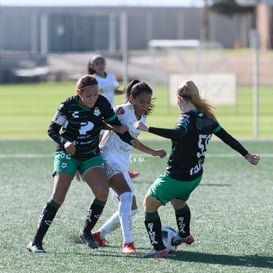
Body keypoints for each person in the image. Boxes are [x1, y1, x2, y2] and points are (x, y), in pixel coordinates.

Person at [134, 80, 260, 258]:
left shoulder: (186, 118)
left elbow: (179, 133)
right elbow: (226, 137)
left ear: (179, 99)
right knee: (178, 202)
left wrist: (148, 128)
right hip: (195, 176)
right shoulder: (207, 118)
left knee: (149, 204)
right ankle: (184, 235)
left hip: (177, 176)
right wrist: (247, 155)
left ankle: (159, 248)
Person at [27, 74, 136, 253]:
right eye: (89, 96)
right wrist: (65, 143)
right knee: (58, 197)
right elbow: (52, 130)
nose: (93, 99)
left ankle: (86, 231)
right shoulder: (67, 106)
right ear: (79, 93)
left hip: (91, 155)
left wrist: (130, 138)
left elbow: (115, 124)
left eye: (96, 94)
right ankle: (36, 241)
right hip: (67, 155)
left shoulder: (102, 103)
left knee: (102, 193)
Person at [92, 80, 167, 254]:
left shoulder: (143, 118)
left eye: (148, 102)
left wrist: (154, 152)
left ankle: (99, 235)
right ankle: (128, 244)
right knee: (126, 196)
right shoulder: (123, 110)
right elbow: (100, 120)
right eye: (142, 102)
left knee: (132, 209)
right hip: (107, 158)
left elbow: (133, 142)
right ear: (132, 99)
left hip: (122, 163)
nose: (145, 105)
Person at [87, 54, 140, 179]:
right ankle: (86, 165)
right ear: (92, 66)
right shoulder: (92, 79)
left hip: (112, 113)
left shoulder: (110, 76)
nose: (100, 65)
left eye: (102, 62)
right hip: (99, 113)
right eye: (97, 63)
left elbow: (114, 90)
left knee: (117, 142)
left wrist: (125, 90)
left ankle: (123, 170)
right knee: (99, 143)